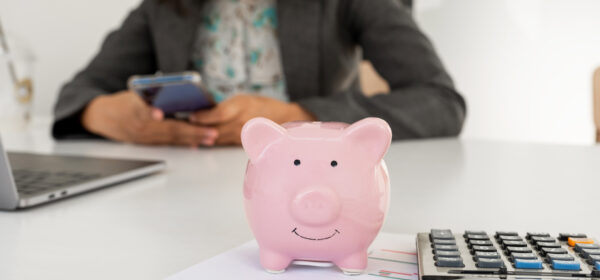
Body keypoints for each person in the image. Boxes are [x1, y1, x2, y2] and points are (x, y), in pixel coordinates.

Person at [52, 0, 466, 147]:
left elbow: (440, 101)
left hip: (310, 184)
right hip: (181, 195)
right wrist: (98, 114)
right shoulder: (162, 7)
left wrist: (300, 114)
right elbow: (79, 92)